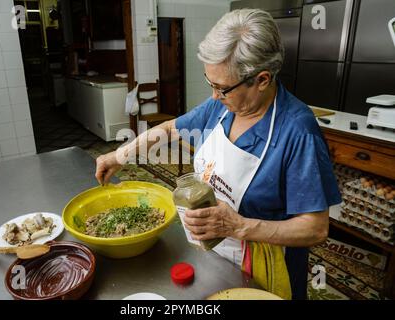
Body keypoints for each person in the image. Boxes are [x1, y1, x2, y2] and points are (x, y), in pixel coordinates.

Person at [95, 8, 342, 299]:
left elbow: (315, 228)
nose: (214, 96)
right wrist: (118, 155)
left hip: (265, 268)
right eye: (210, 83)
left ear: (262, 80)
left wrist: (237, 226)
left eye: (222, 88)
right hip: (212, 253)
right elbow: (172, 129)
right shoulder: (222, 106)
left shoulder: (298, 132)